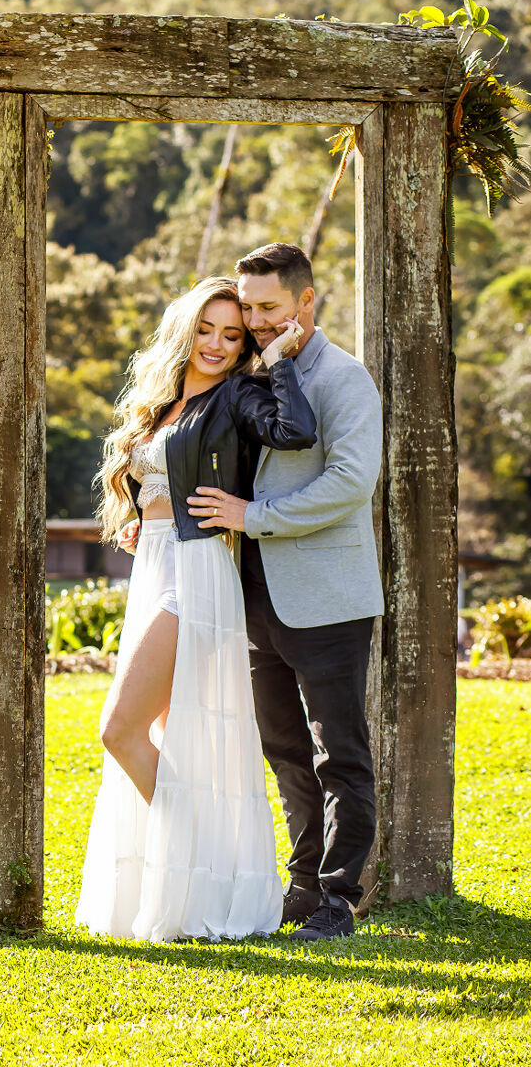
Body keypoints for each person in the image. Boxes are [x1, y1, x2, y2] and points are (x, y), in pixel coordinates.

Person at [76, 275, 314, 942]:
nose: (215, 344)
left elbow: (293, 431)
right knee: (148, 733)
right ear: (184, 331)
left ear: (242, 346)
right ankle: (207, 868)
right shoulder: (164, 403)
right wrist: (138, 521)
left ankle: (217, 864)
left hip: (196, 573)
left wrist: (275, 363)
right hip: (154, 562)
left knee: (118, 730)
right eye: (205, 329)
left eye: (231, 335)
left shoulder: (237, 393)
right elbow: (155, 483)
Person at [185, 243, 384, 941]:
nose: (255, 320)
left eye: (268, 307)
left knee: (340, 755)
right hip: (252, 597)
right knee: (285, 752)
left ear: (305, 301)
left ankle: (338, 898)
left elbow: (350, 484)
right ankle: (301, 888)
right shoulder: (250, 372)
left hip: (327, 597)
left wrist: (253, 518)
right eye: (247, 307)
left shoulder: (344, 379)